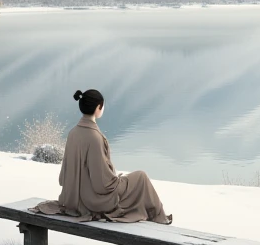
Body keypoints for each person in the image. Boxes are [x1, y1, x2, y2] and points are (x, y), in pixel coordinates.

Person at [33, 89, 172, 224]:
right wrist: (116, 180)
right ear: (98, 108)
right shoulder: (95, 137)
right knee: (141, 177)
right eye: (103, 105)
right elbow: (102, 185)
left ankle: (154, 215)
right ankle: (159, 217)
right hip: (92, 201)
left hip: (71, 198)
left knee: (134, 179)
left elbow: (63, 177)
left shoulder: (73, 133)